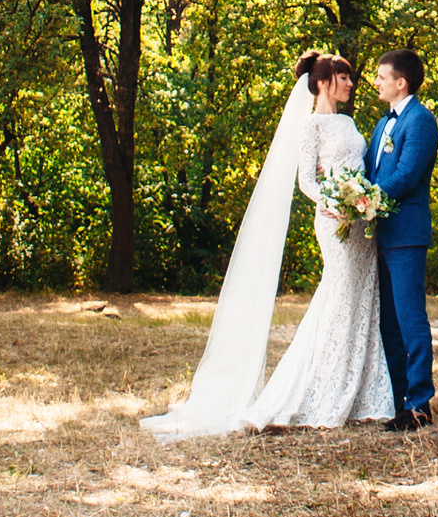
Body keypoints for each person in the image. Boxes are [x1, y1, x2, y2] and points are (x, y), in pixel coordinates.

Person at [140, 52, 395, 441]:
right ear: (324, 82)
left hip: (363, 226)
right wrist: (336, 204)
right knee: (338, 300)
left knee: (364, 301)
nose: (351, 84)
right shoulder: (311, 126)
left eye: (350, 78)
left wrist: (361, 202)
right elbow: (307, 182)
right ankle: (316, 390)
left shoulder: (348, 121)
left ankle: (361, 394)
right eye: (343, 77)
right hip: (335, 224)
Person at [365, 47, 438, 430]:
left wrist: (369, 200)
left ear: (401, 82)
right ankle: (397, 402)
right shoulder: (381, 126)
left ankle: (420, 404)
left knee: (411, 320)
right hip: (380, 233)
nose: (375, 82)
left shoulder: (421, 121)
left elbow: (408, 176)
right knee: (389, 323)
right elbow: (368, 172)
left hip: (407, 233)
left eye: (381, 76)